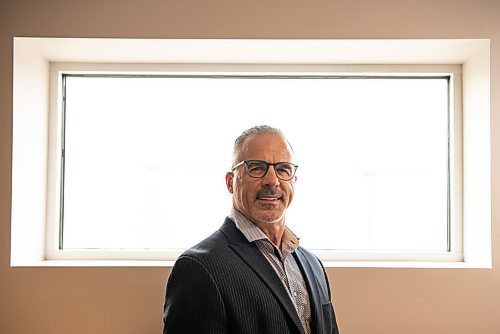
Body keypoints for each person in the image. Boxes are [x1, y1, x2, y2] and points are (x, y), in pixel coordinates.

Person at [163, 125, 339, 334]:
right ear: (230, 182)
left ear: (294, 180)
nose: (272, 180)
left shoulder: (313, 265)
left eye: (283, 169)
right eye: (256, 167)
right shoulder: (199, 267)